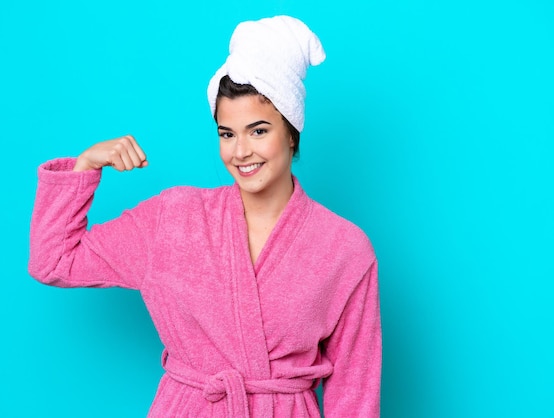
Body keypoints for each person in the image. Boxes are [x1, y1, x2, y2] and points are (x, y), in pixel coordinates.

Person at [29, 15, 381, 417]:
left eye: (259, 130)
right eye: (227, 134)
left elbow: (355, 394)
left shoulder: (345, 249)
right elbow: (54, 260)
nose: (240, 151)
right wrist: (86, 165)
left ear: (291, 131)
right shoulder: (173, 217)